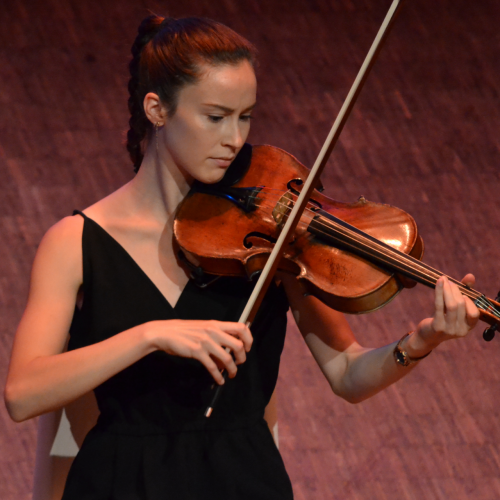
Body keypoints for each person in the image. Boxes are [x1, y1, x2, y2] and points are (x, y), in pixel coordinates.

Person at [4, 14, 480, 500]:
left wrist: (422, 342)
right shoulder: (73, 241)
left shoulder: (272, 238)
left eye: (245, 116)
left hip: (242, 481)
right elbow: (23, 394)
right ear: (156, 109)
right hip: (120, 483)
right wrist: (149, 336)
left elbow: (349, 374)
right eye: (215, 117)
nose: (234, 139)